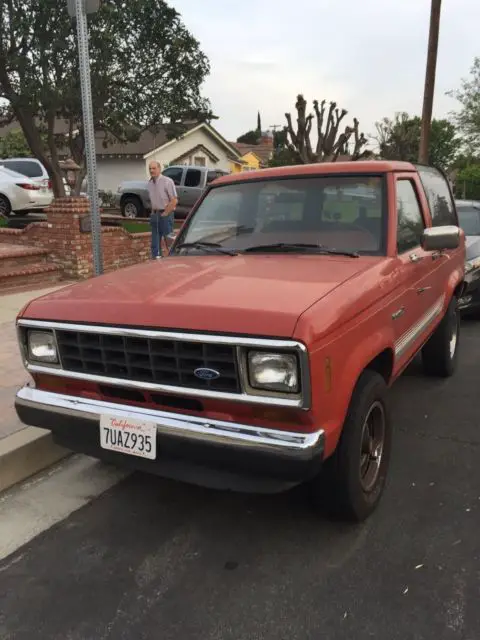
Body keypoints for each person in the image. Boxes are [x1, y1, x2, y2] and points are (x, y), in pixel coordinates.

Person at [147, 161, 178, 259]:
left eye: (154, 168)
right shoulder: (150, 183)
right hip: (155, 215)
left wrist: (165, 213)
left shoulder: (167, 181)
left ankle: (174, 260)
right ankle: (156, 262)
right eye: (150, 169)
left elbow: (174, 200)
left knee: (169, 241)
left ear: (159, 169)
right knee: (155, 243)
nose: (152, 170)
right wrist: (152, 213)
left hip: (166, 215)